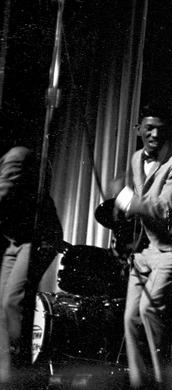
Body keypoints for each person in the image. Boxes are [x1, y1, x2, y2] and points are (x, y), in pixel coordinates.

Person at [112, 104, 172, 389]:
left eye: (160, 129)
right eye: (148, 128)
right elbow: (140, 205)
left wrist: (127, 200)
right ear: (138, 129)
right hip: (144, 252)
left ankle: (161, 383)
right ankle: (141, 384)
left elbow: (164, 207)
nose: (154, 134)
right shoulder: (136, 157)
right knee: (130, 317)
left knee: (148, 311)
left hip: (171, 250)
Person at [0, 130, 61, 386]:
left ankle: (20, 377)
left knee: (14, 302)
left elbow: (3, 196)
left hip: (38, 237)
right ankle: (7, 377)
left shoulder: (17, 157)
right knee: (2, 306)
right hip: (18, 239)